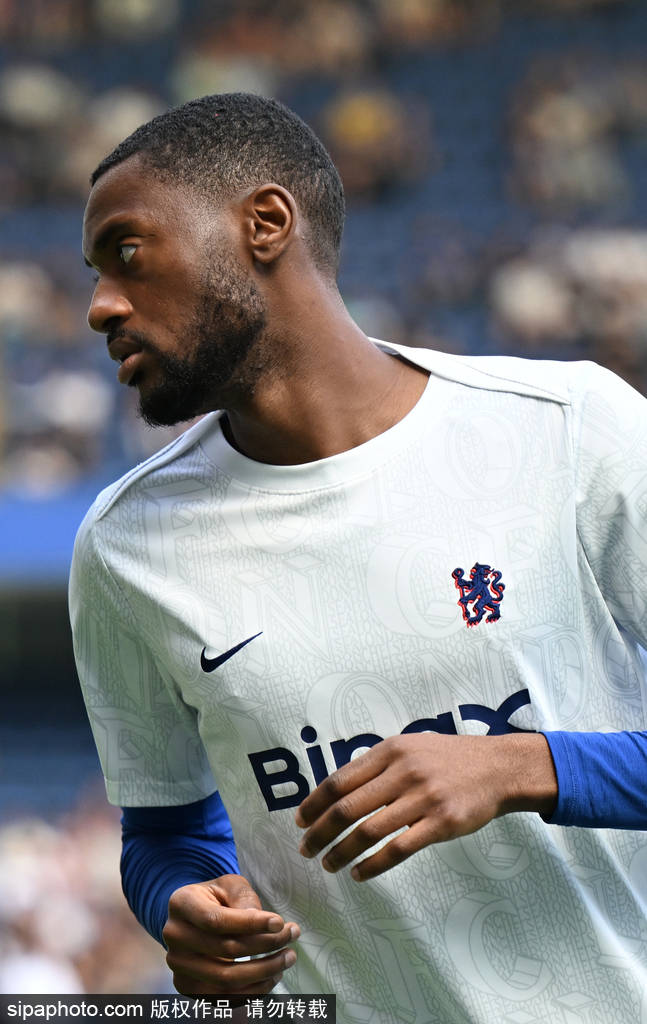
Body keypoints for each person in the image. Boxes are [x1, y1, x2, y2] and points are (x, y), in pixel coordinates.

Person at [70, 92, 647, 1022]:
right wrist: (179, 903)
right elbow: (165, 831)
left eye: (126, 252)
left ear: (265, 223)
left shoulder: (571, 428)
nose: (101, 305)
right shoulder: (125, 543)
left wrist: (522, 766)